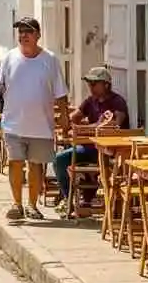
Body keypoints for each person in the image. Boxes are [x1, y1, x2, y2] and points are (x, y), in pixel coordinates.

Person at [0, 17, 68, 221]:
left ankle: (32, 205)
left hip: (41, 125)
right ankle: (16, 204)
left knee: (36, 165)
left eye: (28, 32)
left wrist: (64, 117)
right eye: (20, 32)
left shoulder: (50, 60)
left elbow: (60, 93)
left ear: (38, 35)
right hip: (13, 123)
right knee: (15, 162)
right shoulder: (9, 58)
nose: (24, 36)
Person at [52, 66, 130, 218]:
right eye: (89, 84)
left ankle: (89, 196)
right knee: (59, 160)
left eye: (94, 84)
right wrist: (67, 122)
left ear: (106, 84)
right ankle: (69, 200)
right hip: (89, 149)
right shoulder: (90, 101)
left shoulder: (117, 102)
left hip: (110, 152)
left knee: (88, 166)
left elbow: (116, 124)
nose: (91, 87)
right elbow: (74, 117)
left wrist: (89, 126)